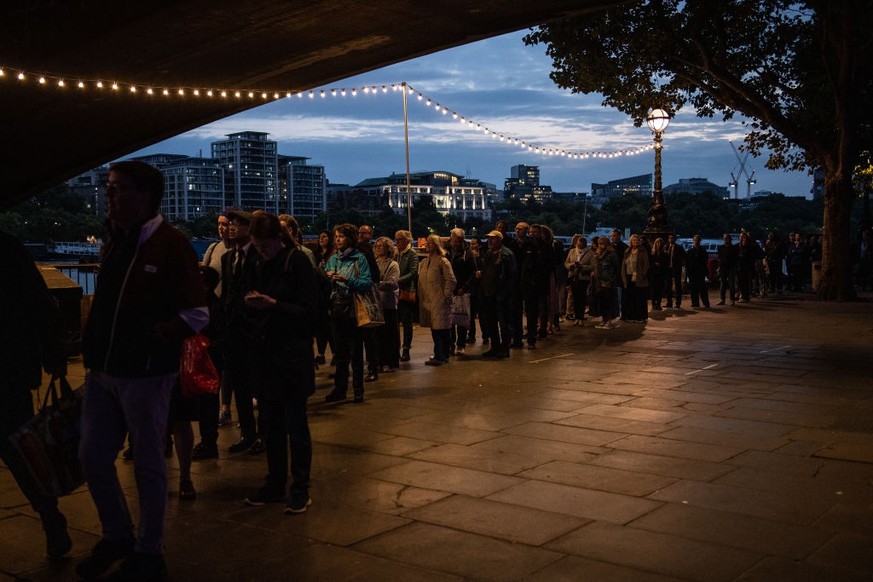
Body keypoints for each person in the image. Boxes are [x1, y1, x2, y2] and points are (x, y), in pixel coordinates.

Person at [77, 161, 208, 580]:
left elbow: (198, 313)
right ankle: (117, 533)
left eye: (118, 189)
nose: (110, 197)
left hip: (147, 374)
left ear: (147, 196)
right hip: (103, 371)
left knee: (150, 462)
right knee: (92, 456)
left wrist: (154, 339)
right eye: (110, 188)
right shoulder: (117, 240)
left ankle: (149, 550)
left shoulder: (170, 245)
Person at [0, 229, 71, 559]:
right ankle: (50, 516)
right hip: (11, 368)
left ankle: (51, 517)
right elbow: (38, 301)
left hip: (8, 369)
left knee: (19, 450)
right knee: (21, 449)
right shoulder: (8, 244)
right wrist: (52, 354)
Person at [242, 212, 317, 514]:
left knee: (296, 425)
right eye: (258, 247)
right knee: (271, 425)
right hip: (267, 355)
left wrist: (275, 305)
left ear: (278, 239)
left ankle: (299, 488)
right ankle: (274, 483)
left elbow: (311, 312)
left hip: (293, 356)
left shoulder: (296, 261)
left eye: (266, 246)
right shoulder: (258, 262)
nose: (262, 252)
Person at [221, 210, 263, 454]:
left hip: (254, 331)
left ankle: (264, 435)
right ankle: (248, 433)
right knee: (239, 386)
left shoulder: (259, 256)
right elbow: (228, 293)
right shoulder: (228, 257)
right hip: (233, 331)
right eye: (230, 224)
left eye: (237, 224)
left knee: (259, 384)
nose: (232, 228)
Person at [324, 224, 372, 403]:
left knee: (356, 353)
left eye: (341, 236)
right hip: (336, 309)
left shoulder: (359, 258)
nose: (337, 239)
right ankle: (340, 389)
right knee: (340, 353)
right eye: (336, 236)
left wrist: (347, 280)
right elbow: (324, 279)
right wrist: (327, 276)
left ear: (349, 239)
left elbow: (366, 282)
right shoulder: (334, 259)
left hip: (353, 309)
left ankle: (358, 389)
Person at [418, 234, 457, 365]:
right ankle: (441, 354)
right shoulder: (424, 262)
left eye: (431, 242)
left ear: (437, 245)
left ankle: (441, 355)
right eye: (427, 242)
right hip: (429, 300)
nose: (427, 244)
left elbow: (451, 280)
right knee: (435, 328)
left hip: (440, 300)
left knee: (441, 329)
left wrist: (445, 295)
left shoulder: (443, 261)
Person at [478, 230, 517, 358]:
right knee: (491, 322)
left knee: (503, 322)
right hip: (488, 293)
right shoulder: (489, 253)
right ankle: (495, 347)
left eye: (493, 239)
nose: (490, 241)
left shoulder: (506, 255)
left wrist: (505, 293)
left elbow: (510, 276)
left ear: (500, 240)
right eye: (489, 238)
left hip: (500, 294)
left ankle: (504, 348)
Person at [447, 228, 476, 355]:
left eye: (460, 240)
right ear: (451, 238)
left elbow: (472, 272)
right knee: (449, 320)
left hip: (461, 290)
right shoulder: (446, 250)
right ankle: (450, 344)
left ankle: (461, 344)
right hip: (449, 289)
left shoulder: (467, 253)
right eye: (455, 240)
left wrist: (464, 287)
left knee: (461, 318)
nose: (457, 243)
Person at [374, 236, 400, 373]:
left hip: (388, 304)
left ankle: (390, 362)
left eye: (381, 246)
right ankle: (379, 361)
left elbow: (393, 282)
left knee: (390, 335)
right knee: (378, 336)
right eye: (376, 246)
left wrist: (375, 285)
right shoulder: (374, 262)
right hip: (376, 304)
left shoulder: (393, 264)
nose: (378, 248)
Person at [395, 229, 419, 363]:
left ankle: (406, 349)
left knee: (406, 322)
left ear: (407, 240)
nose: (397, 242)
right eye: (396, 239)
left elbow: (413, 272)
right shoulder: (396, 254)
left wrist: (397, 280)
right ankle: (396, 348)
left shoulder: (412, 254)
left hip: (405, 292)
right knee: (395, 322)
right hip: (394, 293)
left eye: (400, 239)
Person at [314, 230, 335, 365]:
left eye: (324, 236)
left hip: (330, 293)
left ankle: (335, 353)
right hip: (318, 294)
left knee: (331, 326)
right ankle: (321, 353)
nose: (321, 238)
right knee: (321, 326)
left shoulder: (333, 255)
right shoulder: (315, 254)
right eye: (320, 236)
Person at [564, 234, 594, 326]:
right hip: (573, 277)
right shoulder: (572, 251)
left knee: (582, 298)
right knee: (575, 298)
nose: (579, 245)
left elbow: (592, 266)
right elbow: (566, 263)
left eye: (581, 243)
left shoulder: (590, 253)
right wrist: (571, 265)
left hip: (583, 278)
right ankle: (576, 317)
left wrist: (582, 267)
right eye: (578, 243)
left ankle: (580, 317)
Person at [621, 234, 651, 322]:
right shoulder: (627, 251)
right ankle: (630, 316)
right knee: (630, 298)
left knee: (639, 298)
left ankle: (640, 316)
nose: (635, 242)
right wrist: (623, 276)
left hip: (638, 277)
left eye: (637, 240)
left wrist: (642, 275)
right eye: (633, 240)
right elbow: (624, 264)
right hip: (629, 276)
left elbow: (646, 264)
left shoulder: (642, 251)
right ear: (631, 241)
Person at [593, 238, 620, 329]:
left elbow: (616, 269)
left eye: (601, 244)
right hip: (599, 282)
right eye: (599, 244)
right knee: (602, 303)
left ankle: (608, 321)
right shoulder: (597, 255)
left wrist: (612, 279)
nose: (600, 245)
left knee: (609, 302)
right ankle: (604, 320)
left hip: (608, 282)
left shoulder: (612, 255)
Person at [686, 234, 711, 308]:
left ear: (699, 241)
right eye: (695, 240)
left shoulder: (703, 251)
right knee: (693, 288)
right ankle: (695, 303)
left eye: (697, 240)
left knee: (702, 288)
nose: (696, 242)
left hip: (700, 272)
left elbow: (705, 261)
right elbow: (687, 262)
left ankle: (706, 303)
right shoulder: (690, 251)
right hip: (692, 272)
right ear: (693, 241)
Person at [665, 234, 686, 309]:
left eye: (672, 238)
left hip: (676, 269)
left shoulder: (679, 248)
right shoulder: (666, 247)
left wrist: (681, 265)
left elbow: (684, 257)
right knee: (668, 286)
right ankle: (669, 302)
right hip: (668, 269)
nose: (671, 239)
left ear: (675, 239)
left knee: (677, 286)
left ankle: (678, 303)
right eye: (670, 238)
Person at [717, 234, 739, 305]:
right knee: (722, 284)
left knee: (731, 284)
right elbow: (719, 258)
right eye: (724, 238)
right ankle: (722, 299)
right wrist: (719, 267)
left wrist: (735, 268)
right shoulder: (720, 248)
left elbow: (736, 259)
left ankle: (732, 299)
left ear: (730, 239)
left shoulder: (734, 248)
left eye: (727, 238)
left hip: (731, 268)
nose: (725, 240)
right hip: (723, 268)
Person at [649, 237, 667, 311]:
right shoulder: (652, 253)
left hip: (660, 274)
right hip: (653, 274)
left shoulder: (664, 253)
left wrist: (661, 265)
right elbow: (650, 263)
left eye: (660, 243)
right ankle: (653, 304)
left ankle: (658, 304)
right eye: (657, 242)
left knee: (659, 290)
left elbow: (666, 264)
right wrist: (654, 264)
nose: (658, 244)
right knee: (653, 289)